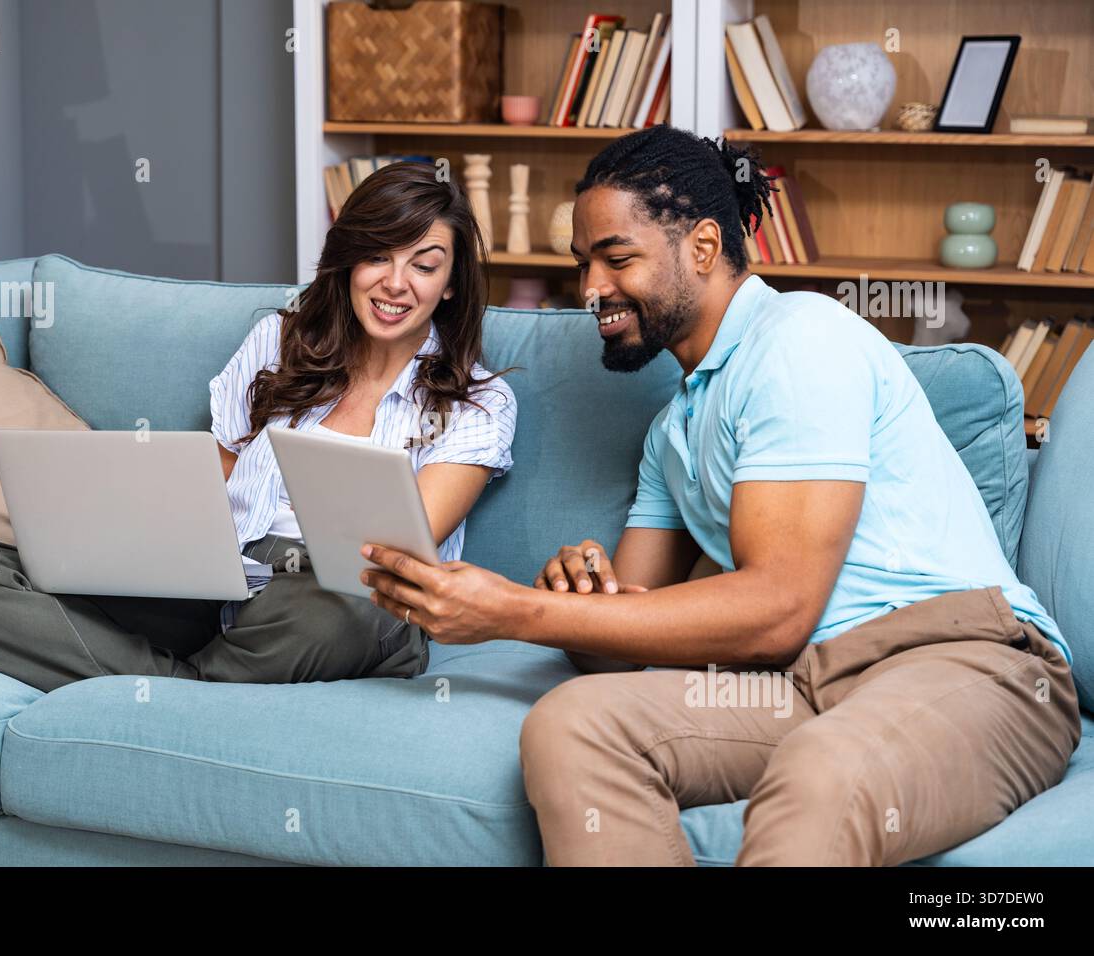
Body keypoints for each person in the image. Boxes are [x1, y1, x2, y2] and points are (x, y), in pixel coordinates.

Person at [358, 125, 1081, 866]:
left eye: (617, 258)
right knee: (571, 724)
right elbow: (619, 648)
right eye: (584, 264)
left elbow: (777, 608)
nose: (592, 289)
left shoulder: (800, 339)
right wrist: (579, 601)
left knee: (821, 772)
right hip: (799, 685)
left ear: (702, 247)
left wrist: (515, 610)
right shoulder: (673, 432)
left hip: (967, 664)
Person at [0, 162, 517, 693]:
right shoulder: (281, 343)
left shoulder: (478, 402)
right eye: (377, 255)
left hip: (345, 599)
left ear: (451, 283)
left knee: (345, 609)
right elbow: (214, 481)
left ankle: (162, 683)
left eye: (423, 265)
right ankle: (186, 688)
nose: (394, 282)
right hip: (225, 579)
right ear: (348, 259)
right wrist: (149, 551)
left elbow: (403, 555)